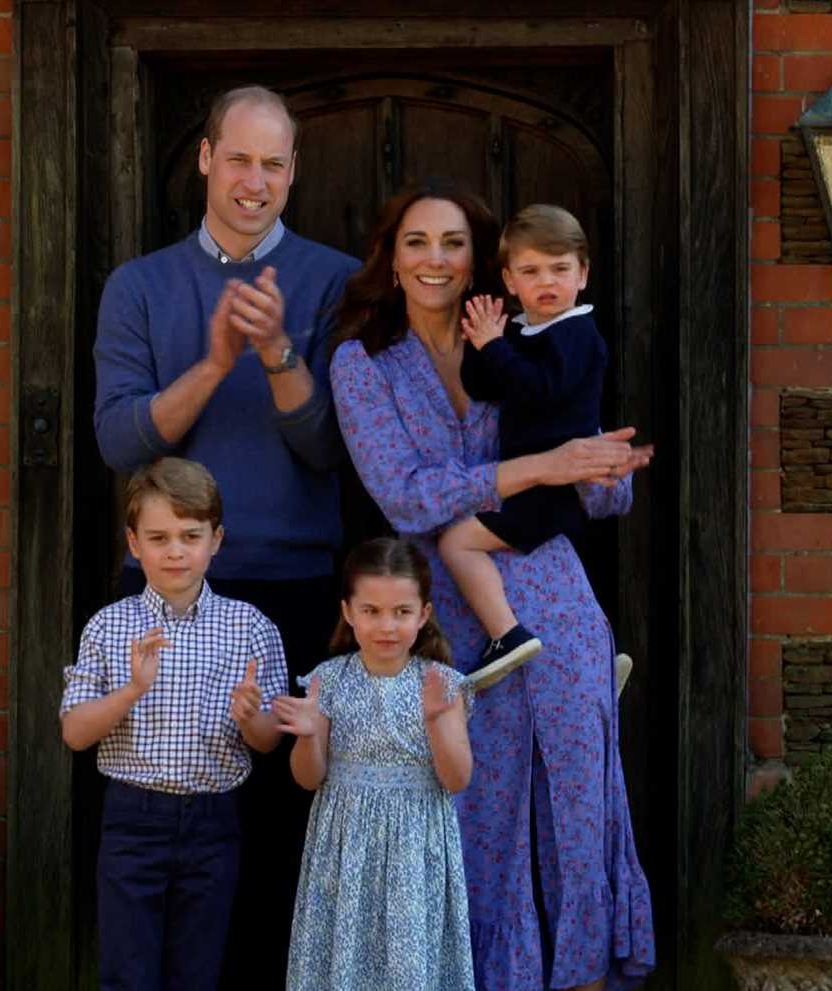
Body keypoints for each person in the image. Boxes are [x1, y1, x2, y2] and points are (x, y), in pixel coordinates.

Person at [329, 179, 656, 991]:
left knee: (580, 809)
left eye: (452, 243)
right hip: (446, 610)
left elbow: (595, 483)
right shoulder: (361, 362)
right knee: (475, 816)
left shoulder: (525, 334)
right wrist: (545, 465)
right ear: (391, 259)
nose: (434, 259)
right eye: (416, 242)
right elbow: (404, 494)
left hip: (555, 592)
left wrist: (603, 467)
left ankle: (584, 975)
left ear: (483, 262)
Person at [92, 85, 359, 986]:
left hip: (292, 586)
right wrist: (213, 363)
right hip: (169, 590)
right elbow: (120, 440)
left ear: (294, 172)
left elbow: (332, 448)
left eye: (273, 164)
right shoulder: (140, 285)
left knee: (281, 832)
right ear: (205, 158)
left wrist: (279, 351)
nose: (255, 181)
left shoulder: (337, 281)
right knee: (166, 829)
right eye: (238, 159)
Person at [59, 457, 288, 990]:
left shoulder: (249, 627)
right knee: (127, 972)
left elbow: (269, 742)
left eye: (191, 535)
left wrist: (253, 717)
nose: (176, 551)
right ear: (134, 544)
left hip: (213, 821)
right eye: (158, 537)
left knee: (197, 971)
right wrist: (134, 689)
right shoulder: (110, 625)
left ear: (217, 539)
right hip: (132, 820)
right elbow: (74, 732)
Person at [276, 537, 475, 991]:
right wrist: (308, 735)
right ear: (348, 611)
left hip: (415, 848)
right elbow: (309, 778)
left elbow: (457, 778)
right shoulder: (328, 679)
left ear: (423, 614)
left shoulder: (443, 684)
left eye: (402, 612)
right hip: (345, 846)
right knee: (345, 958)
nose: (387, 625)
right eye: (371, 611)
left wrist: (439, 722)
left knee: (408, 963)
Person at [437, 204, 608, 689]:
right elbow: (484, 385)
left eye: (560, 269)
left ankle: (506, 635)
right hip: (529, 482)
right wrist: (482, 341)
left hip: (551, 489)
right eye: (531, 271)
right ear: (510, 281)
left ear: (583, 274)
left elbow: (538, 390)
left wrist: (496, 346)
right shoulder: (525, 331)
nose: (546, 282)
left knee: (457, 541)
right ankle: (585, 660)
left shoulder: (577, 334)